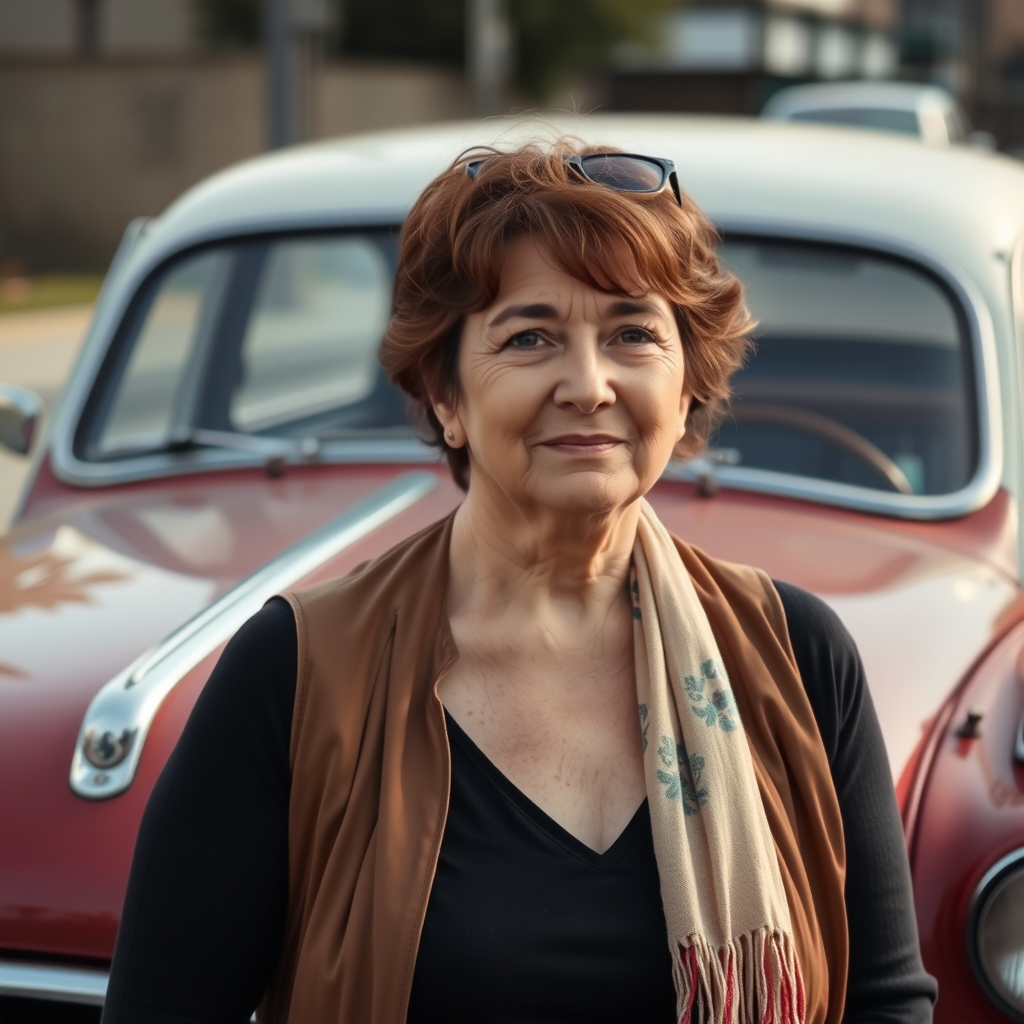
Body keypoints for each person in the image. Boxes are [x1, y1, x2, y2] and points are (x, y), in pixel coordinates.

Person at [102, 142, 936, 1024]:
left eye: (633, 334)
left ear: (688, 384)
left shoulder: (796, 656)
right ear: (446, 394)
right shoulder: (300, 670)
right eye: (530, 337)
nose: (588, 385)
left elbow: (885, 1004)